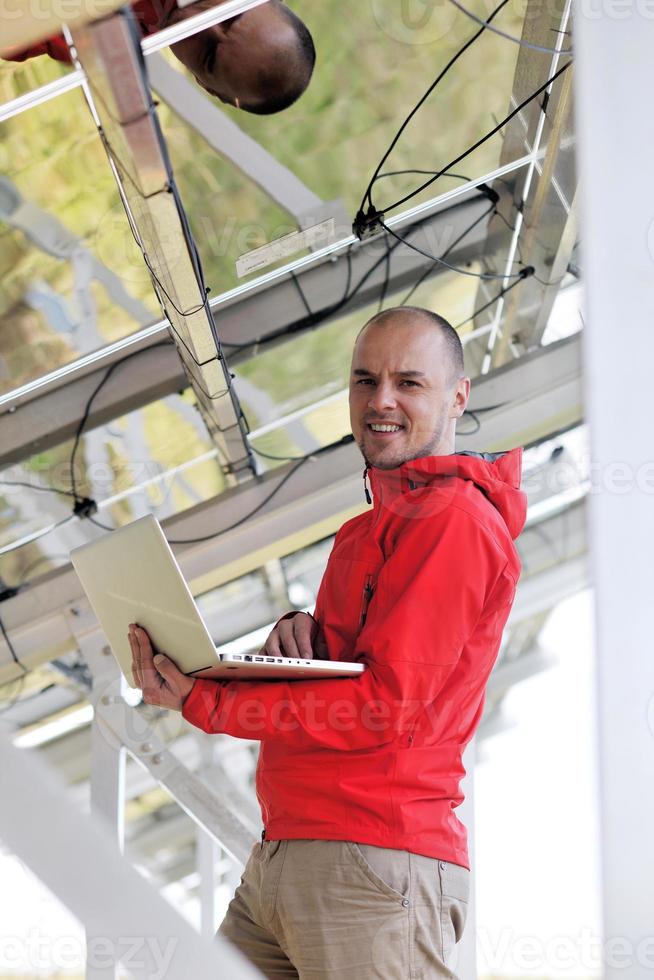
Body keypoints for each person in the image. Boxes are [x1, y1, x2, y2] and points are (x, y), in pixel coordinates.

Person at [129, 305, 527, 979]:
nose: (381, 401)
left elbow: (381, 707)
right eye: (365, 380)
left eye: (409, 382)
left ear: (459, 395)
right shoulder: (363, 533)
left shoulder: (452, 522)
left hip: (369, 864)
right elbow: (349, 680)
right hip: (290, 853)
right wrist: (302, 645)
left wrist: (210, 702)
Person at [4, 0, 315, 114]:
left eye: (208, 56)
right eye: (231, 16)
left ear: (204, 84)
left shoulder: (104, 40)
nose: (204, 26)